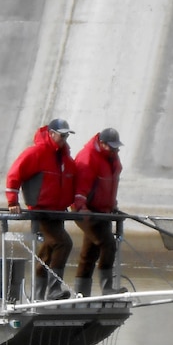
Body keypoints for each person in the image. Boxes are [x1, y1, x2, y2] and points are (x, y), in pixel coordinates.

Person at [5, 118, 85, 300]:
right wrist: (12, 202)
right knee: (63, 243)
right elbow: (14, 175)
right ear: (51, 133)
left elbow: (74, 183)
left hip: (57, 212)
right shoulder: (36, 153)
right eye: (62, 134)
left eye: (67, 135)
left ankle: (39, 296)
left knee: (47, 251)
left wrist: (79, 205)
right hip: (40, 212)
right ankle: (53, 290)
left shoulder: (65, 158)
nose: (65, 138)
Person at [73, 127, 124, 296]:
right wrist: (82, 207)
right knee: (107, 244)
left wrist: (112, 205)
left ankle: (81, 294)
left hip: (103, 212)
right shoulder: (88, 158)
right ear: (101, 143)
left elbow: (109, 185)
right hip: (87, 211)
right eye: (112, 146)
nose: (115, 150)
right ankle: (107, 288)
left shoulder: (112, 157)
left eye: (117, 147)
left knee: (90, 251)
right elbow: (80, 187)